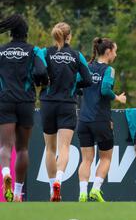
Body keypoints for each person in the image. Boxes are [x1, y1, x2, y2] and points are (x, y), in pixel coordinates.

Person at [40, 22, 92, 201]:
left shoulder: (44, 53)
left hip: (47, 103)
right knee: (64, 147)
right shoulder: (77, 55)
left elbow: (36, 74)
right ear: (69, 36)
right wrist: (74, 85)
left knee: (49, 148)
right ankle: (59, 181)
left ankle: (51, 188)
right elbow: (88, 79)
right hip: (67, 104)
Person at [0, 14, 48, 202]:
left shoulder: (1, 51)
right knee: (22, 149)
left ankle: (5, 173)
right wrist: (40, 82)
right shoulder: (34, 50)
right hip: (26, 102)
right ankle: (19, 192)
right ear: (26, 33)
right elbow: (41, 71)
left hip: (5, 101)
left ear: (11, 33)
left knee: (5, 145)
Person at [77, 37, 126, 202]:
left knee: (86, 159)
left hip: (83, 120)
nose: (116, 55)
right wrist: (118, 98)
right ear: (108, 51)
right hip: (101, 120)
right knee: (105, 158)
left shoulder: (87, 67)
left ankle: (83, 192)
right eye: (115, 51)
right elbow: (105, 89)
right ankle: (95, 190)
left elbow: (77, 85)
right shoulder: (109, 70)